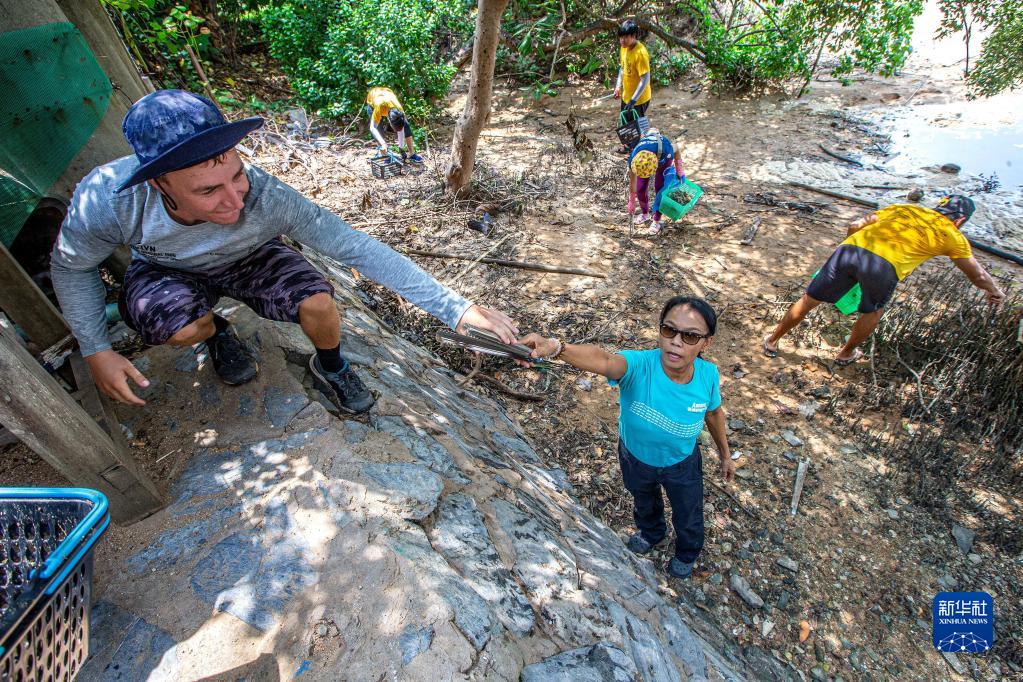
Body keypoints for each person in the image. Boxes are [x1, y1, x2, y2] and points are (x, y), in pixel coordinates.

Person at [50, 90, 517, 414]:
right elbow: (71, 266)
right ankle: (216, 333)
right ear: (158, 182)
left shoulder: (266, 197)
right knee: (177, 326)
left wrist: (454, 309)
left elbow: (353, 244)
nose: (235, 201)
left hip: (251, 256)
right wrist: (96, 349)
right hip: (165, 267)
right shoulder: (110, 199)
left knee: (319, 301)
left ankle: (331, 366)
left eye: (237, 175)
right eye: (209, 191)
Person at [519, 296, 735, 579]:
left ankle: (687, 551)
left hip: (682, 464)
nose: (676, 341)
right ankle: (651, 532)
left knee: (688, 511)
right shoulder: (639, 365)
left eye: (691, 336)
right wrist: (557, 348)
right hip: (634, 456)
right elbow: (605, 360)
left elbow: (714, 414)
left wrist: (725, 454)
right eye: (669, 330)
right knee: (643, 499)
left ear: (706, 343)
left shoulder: (708, 375)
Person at [763, 195, 1005, 365]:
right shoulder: (952, 235)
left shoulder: (906, 209)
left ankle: (773, 341)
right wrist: (994, 291)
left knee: (809, 300)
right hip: (884, 268)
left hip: (850, 250)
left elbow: (855, 224)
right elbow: (977, 275)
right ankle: (846, 353)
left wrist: (848, 248)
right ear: (961, 220)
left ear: (939, 206)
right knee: (872, 312)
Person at [628, 129, 685, 235]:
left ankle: (656, 221)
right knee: (640, 188)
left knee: (660, 189)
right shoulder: (634, 158)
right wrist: (631, 200)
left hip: (662, 158)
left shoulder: (666, 148)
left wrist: (679, 169)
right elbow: (633, 183)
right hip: (645, 161)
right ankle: (645, 214)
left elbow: (676, 149)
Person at [613, 20, 652, 155]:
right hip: (627, 95)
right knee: (626, 123)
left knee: (636, 125)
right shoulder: (623, 48)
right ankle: (629, 148)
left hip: (639, 98)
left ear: (634, 36)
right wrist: (618, 86)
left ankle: (636, 153)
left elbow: (645, 79)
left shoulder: (640, 53)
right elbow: (622, 69)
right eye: (621, 37)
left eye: (626, 37)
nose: (622, 40)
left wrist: (634, 100)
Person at [365, 86, 421, 162]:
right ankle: (383, 156)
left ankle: (412, 154)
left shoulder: (399, 110)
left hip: (387, 94)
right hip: (373, 100)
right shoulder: (379, 107)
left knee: (406, 125)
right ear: (389, 120)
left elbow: (401, 129)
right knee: (378, 129)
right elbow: (372, 128)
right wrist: (383, 143)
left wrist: (401, 148)